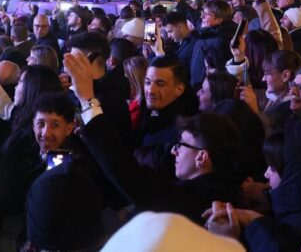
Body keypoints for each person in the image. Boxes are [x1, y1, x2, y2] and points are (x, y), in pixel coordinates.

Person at [64, 49, 242, 223]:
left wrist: (88, 100)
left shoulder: (196, 199)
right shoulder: (151, 114)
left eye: (160, 84)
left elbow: (130, 174)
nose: (150, 89)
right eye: (148, 82)